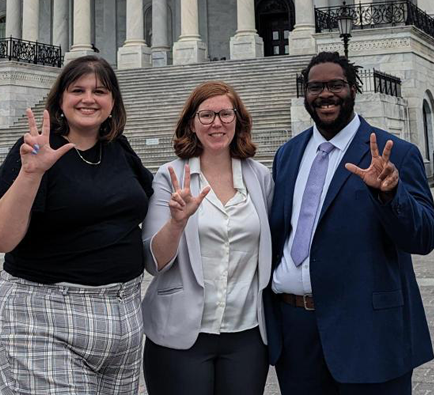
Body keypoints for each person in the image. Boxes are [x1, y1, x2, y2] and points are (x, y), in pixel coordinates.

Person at [264, 51, 434, 395]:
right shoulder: (288, 155)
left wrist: (390, 195)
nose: (326, 94)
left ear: (353, 88)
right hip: (297, 333)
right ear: (305, 94)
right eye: (315, 87)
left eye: (336, 85)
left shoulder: (394, 153)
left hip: (369, 331)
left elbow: (424, 237)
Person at [0, 55, 153, 394]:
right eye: (78, 90)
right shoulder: (34, 150)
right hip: (45, 317)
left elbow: (151, 208)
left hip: (124, 317)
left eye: (100, 91)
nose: (89, 99)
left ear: (113, 101)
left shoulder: (119, 148)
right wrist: (32, 173)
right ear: (60, 99)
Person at [141, 81, 274, 395]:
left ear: (238, 120)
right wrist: (176, 222)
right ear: (191, 123)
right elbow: (153, 262)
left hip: (246, 333)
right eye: (206, 115)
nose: (217, 123)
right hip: (181, 334)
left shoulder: (260, 177)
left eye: (226, 114)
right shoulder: (170, 176)